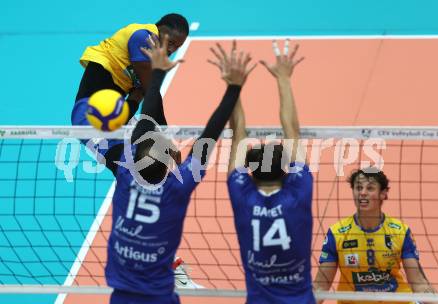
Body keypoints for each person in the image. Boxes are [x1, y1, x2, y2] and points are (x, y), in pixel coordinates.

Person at [101, 35, 255, 303]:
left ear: (135, 157)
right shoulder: (177, 186)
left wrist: (157, 71)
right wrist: (234, 88)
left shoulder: (125, 174)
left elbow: (146, 119)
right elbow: (209, 137)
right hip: (160, 297)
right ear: (168, 167)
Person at [223, 39, 315, 303]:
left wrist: (234, 85)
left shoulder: (242, 195)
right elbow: (292, 130)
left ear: (250, 173)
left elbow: (237, 135)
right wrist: (283, 78)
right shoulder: (299, 192)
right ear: (286, 171)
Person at [314, 168, 438, 304]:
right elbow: (321, 286)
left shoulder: (400, 231)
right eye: (358, 187)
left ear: (383, 194)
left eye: (370, 188)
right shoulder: (338, 233)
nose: (362, 193)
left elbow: (419, 283)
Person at [72, 13, 189, 129]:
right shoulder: (144, 38)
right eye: (171, 42)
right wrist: (166, 132)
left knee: (137, 96)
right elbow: (151, 94)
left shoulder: (156, 54)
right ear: (159, 30)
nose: (171, 50)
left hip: (116, 97)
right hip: (97, 89)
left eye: (178, 46)